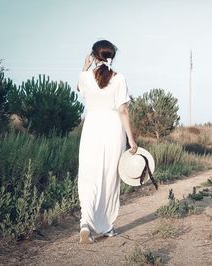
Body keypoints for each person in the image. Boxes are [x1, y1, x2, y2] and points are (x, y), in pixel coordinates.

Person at [76, 40, 138, 244]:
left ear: (94, 56)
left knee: (89, 176)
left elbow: (80, 88)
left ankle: (86, 222)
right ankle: (104, 227)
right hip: (112, 131)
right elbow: (122, 110)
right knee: (109, 178)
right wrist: (131, 139)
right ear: (112, 57)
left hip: (92, 130)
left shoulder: (85, 77)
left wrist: (85, 67)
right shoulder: (119, 79)